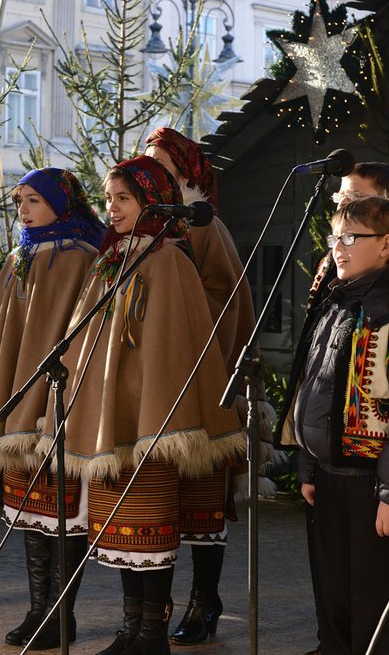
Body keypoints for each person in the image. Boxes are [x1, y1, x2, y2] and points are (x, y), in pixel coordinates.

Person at [56, 155, 245, 655]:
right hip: (112, 415)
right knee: (120, 530)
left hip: (153, 418)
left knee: (149, 525)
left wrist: (157, 408)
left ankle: (152, 635)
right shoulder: (111, 257)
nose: (111, 209)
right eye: (108, 199)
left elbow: (175, 347)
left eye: (123, 199)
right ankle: (132, 629)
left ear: (152, 202)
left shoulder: (169, 260)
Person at [277, 161, 389, 655]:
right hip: (326, 475)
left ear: (386, 245)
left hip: (372, 485)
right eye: (335, 239)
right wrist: (307, 462)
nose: (338, 250)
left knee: (374, 601)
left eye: (352, 238)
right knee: (332, 592)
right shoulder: (335, 302)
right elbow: (313, 389)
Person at [0, 167, 105, 649]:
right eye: (19, 201)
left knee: (61, 512)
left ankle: (61, 614)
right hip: (18, 402)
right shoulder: (20, 255)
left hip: (57, 402)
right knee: (31, 511)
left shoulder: (83, 257)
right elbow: (3, 337)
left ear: (62, 202)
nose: (23, 208)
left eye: (33, 200)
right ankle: (38, 608)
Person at [143, 127, 258, 646]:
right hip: (155, 384)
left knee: (203, 503)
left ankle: (205, 599)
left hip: (201, 379)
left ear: (187, 171)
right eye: (149, 163)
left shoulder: (204, 226)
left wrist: (182, 316)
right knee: (161, 502)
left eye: (165, 163)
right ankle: (156, 606)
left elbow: (230, 299)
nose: (157, 170)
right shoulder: (140, 228)